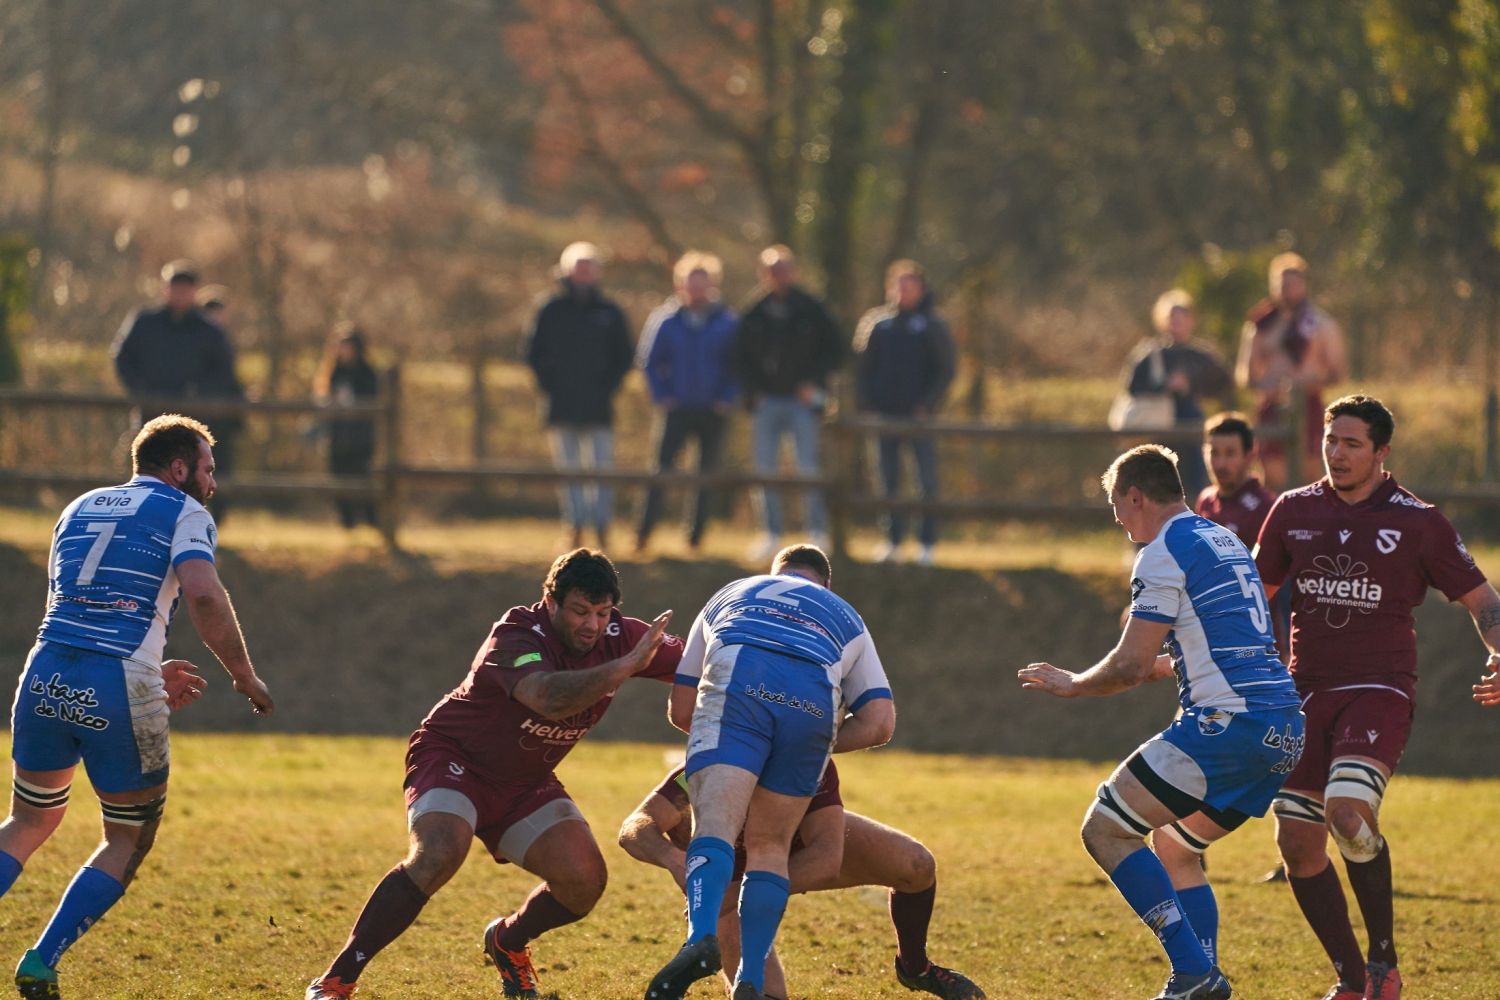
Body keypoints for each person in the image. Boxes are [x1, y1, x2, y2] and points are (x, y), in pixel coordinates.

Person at [306, 549, 679, 1000]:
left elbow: (703, 664)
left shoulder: (624, 637)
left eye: (603, 613)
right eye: (580, 611)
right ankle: (336, 980)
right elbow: (547, 698)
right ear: (551, 601)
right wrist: (624, 667)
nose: (592, 625)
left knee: (584, 882)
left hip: (525, 781)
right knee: (439, 851)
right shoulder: (517, 633)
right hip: (455, 758)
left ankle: (507, 941)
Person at [0, 414, 274, 999]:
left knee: (28, 820)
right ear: (178, 468)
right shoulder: (185, 512)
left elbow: (81, 608)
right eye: (207, 469)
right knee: (128, 837)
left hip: (45, 671)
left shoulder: (79, 506)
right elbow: (203, 594)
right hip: (117, 679)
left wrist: (147, 671)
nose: (212, 483)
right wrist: (243, 674)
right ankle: (41, 962)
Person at [1017, 445, 1304, 1000]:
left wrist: (1074, 683)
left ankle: (1195, 973)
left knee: (1105, 828)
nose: (1119, 522)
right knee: (1175, 847)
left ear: (1135, 497)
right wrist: (1165, 667)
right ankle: (1202, 979)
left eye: (1116, 508)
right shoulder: (1223, 540)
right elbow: (1221, 643)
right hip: (1284, 728)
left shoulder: (1162, 550)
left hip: (1230, 726)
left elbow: (1128, 664)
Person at [1252, 394, 1500, 1000]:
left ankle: (1383, 962)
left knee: (1348, 814)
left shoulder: (1419, 521)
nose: (1336, 453)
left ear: (1382, 452)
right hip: (1304, 693)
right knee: (1296, 844)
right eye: (1330, 441)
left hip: (1379, 690)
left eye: (1352, 444)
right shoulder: (1292, 510)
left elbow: (1484, 602)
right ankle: (1349, 977)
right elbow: (1254, 595)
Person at [646, 544, 896, 1000]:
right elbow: (880, 723)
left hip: (739, 691)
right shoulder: (846, 615)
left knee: (715, 829)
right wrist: (813, 743)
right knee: (770, 847)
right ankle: (751, 979)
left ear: (773, 574)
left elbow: (682, 710)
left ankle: (700, 938)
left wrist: (738, 742)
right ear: (826, 584)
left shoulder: (734, 591)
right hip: (811, 709)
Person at [621, 758, 985, 999]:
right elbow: (635, 827)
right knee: (764, 995)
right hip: (727, 883)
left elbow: (826, 859)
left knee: (916, 865)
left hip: (796, 857)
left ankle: (916, 969)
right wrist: (675, 861)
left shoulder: (807, 757)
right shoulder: (712, 765)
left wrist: (749, 890)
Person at [731, 245, 846, 557]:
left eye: (783, 270)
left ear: (794, 272)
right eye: (772, 271)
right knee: (765, 469)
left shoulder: (812, 309)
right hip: (766, 403)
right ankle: (770, 533)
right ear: (763, 274)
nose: (778, 276)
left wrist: (813, 383)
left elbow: (835, 350)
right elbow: (738, 358)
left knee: (807, 467)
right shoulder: (754, 312)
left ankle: (816, 532)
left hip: (802, 402)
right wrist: (753, 391)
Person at [112, 261, 246, 522]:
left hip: (193, 417)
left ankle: (191, 521)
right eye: (176, 288)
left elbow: (223, 371)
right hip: (151, 413)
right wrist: (139, 389)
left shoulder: (208, 331)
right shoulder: (145, 322)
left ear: (194, 291)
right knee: (148, 467)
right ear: (166, 288)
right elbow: (122, 356)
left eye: (186, 289)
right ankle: (143, 519)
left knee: (190, 469)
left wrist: (198, 393)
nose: (180, 294)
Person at [525, 242, 636, 548]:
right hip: (561, 404)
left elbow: (624, 356)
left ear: (598, 272)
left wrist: (608, 387)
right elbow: (533, 353)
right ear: (566, 271)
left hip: (599, 405)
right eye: (579, 267)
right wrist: (550, 386)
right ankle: (574, 526)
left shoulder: (610, 311)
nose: (584, 274)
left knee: (601, 469)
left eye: (589, 267)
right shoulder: (550, 310)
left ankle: (601, 527)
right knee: (569, 470)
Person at [636, 251, 739, 551]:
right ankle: (644, 533)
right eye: (691, 284)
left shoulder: (727, 322)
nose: (696, 291)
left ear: (713, 285)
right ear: (680, 285)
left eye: (702, 285)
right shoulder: (666, 320)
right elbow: (649, 361)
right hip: (677, 407)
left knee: (705, 475)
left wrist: (726, 398)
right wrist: (662, 395)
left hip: (713, 410)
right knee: (661, 470)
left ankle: (695, 537)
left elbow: (737, 365)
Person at [854, 260, 955, 566]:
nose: (904, 292)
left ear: (921, 289)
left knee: (926, 481)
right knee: (888, 480)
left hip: (919, 417)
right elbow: (863, 368)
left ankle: (926, 543)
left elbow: (945, 370)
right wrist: (868, 403)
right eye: (899, 286)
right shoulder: (878, 324)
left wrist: (928, 404)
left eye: (910, 286)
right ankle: (893, 540)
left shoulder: (932, 325)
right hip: (885, 415)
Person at [1236, 253, 1346, 491]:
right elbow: (1246, 375)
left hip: (1310, 406)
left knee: (1311, 475)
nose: (1286, 289)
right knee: (1271, 477)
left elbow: (1337, 373)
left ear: (1304, 284)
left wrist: (1307, 384)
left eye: (1293, 283)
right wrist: (1268, 388)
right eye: (1281, 283)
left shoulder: (1321, 324)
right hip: (1271, 409)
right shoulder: (1260, 326)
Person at [1119, 291, 1233, 499]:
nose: (1176, 323)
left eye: (1182, 317)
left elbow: (1224, 383)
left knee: (1195, 481)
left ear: (1191, 320)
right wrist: (1164, 387)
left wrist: (1192, 386)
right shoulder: (1150, 354)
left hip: (1192, 426)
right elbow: (1132, 387)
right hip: (1159, 428)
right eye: (1172, 317)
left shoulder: (1200, 355)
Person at [314, 325, 381, 530]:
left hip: (360, 436)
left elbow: (373, 400)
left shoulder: (367, 373)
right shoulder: (334, 373)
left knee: (362, 478)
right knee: (338, 476)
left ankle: (371, 521)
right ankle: (347, 522)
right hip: (338, 435)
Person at [1194, 412, 1275, 552]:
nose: (1221, 464)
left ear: (1250, 455)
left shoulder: (1266, 509)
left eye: (1230, 453)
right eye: (1214, 453)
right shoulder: (1205, 501)